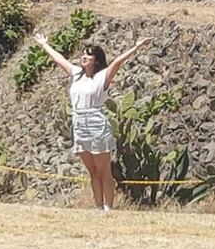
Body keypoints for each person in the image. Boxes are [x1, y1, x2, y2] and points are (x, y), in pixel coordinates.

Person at [34, 32, 151, 211]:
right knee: (93, 171)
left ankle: (108, 207)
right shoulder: (77, 74)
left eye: (88, 55)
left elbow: (117, 62)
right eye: (83, 53)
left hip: (96, 123)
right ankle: (98, 206)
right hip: (79, 123)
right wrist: (44, 44)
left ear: (96, 60)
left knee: (104, 170)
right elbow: (59, 59)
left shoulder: (102, 76)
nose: (84, 56)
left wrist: (136, 47)